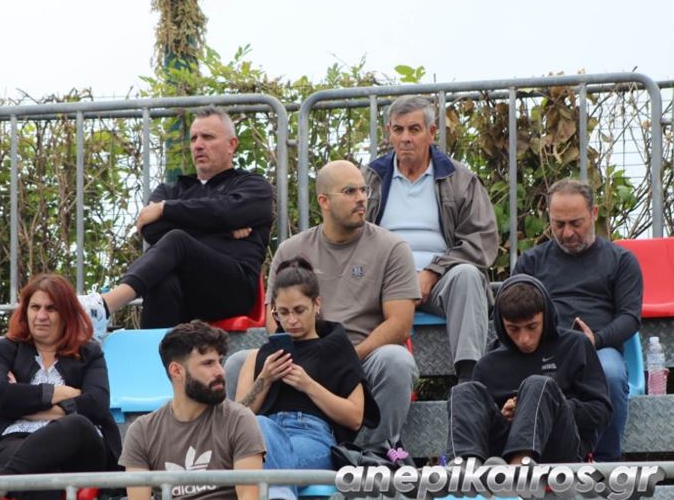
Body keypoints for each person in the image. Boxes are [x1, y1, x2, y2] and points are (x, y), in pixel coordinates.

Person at [226, 160, 420, 449]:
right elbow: (273, 318)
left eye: (363, 190)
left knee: (396, 361)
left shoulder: (392, 248)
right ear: (324, 201)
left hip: (362, 354)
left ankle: (379, 451)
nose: (361, 198)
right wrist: (303, 355)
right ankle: (244, 451)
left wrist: (343, 357)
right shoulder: (291, 249)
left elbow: (400, 324)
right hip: (302, 352)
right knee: (238, 363)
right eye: (350, 191)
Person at [79, 106, 273, 339]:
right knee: (163, 279)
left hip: (233, 291)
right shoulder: (170, 190)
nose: (198, 145)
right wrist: (222, 230)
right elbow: (151, 230)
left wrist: (166, 209)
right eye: (194, 138)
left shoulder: (253, 186)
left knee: (177, 240)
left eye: (208, 137)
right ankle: (154, 357)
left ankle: (104, 306)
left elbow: (227, 212)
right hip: (183, 291)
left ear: (231, 144)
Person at [362, 95, 499, 383]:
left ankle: (469, 383)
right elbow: (350, 234)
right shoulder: (370, 178)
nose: (405, 138)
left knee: (467, 276)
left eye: (414, 129)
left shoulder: (460, 179)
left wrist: (433, 272)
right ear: (389, 132)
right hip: (382, 283)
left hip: (439, 282)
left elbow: (481, 241)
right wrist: (396, 279)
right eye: (398, 130)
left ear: (432, 132)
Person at [0, 274, 122, 500]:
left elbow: (96, 404)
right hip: (13, 443)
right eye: (35, 307)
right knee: (39, 468)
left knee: (77, 424)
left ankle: (1, 481)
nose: (41, 316)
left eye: (51, 309)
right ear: (25, 311)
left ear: (67, 313)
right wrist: (58, 392)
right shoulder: (5, 349)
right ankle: (7, 479)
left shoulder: (89, 353)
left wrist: (27, 407)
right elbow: (1, 395)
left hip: (79, 447)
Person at [513, 178, 643, 461]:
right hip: (544, 348)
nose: (567, 232)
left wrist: (595, 339)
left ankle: (606, 463)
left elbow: (630, 317)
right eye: (558, 224)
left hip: (598, 347)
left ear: (594, 213)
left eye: (576, 223)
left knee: (611, 375)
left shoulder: (621, 260)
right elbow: (512, 311)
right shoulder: (531, 262)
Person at [236, 257, 380, 500]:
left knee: (256, 460)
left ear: (317, 305)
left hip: (311, 436)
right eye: (283, 313)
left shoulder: (336, 347)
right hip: (263, 436)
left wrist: (308, 385)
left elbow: (355, 417)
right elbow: (238, 418)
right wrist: (264, 380)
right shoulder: (259, 357)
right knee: (259, 425)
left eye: (299, 310)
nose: (291, 320)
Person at [446, 274, 612, 464]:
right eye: (514, 329)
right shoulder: (488, 364)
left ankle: (520, 466)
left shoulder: (575, 345)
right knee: (464, 391)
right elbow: (483, 419)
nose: (524, 339)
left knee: (537, 385)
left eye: (532, 327)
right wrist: (503, 414)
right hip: (501, 451)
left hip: (560, 448)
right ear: (502, 325)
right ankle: (465, 466)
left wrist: (549, 408)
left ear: (545, 317)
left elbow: (601, 412)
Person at [119, 320, 265, 500]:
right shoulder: (142, 431)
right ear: (177, 371)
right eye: (208, 363)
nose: (220, 371)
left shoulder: (240, 419)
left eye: (220, 362)